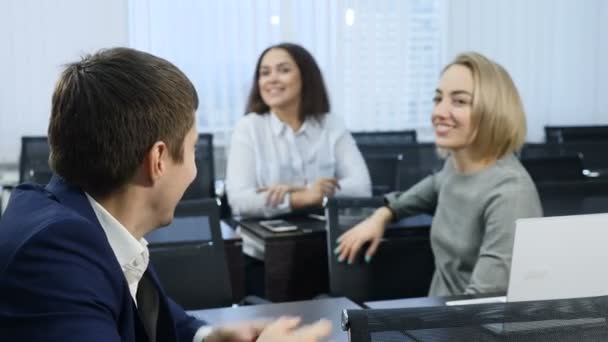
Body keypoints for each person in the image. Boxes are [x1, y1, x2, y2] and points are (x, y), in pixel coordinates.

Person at [0, 47, 331, 342]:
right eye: (191, 151)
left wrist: (208, 336)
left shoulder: (87, 222)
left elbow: (145, 312)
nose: (193, 170)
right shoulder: (54, 256)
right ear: (158, 160)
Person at [335, 52, 543, 296]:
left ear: (493, 112)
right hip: (443, 318)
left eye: (459, 101)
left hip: (467, 328)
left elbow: (483, 303)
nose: (439, 112)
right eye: (438, 99)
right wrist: (382, 214)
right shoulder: (454, 169)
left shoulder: (510, 193)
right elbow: (431, 187)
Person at [226, 43, 371, 218]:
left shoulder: (331, 124)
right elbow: (240, 201)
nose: (272, 79)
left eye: (283, 70)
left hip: (325, 234)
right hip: (267, 239)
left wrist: (303, 189)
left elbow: (361, 188)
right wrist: (303, 198)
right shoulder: (248, 127)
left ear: (306, 77)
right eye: (265, 73)